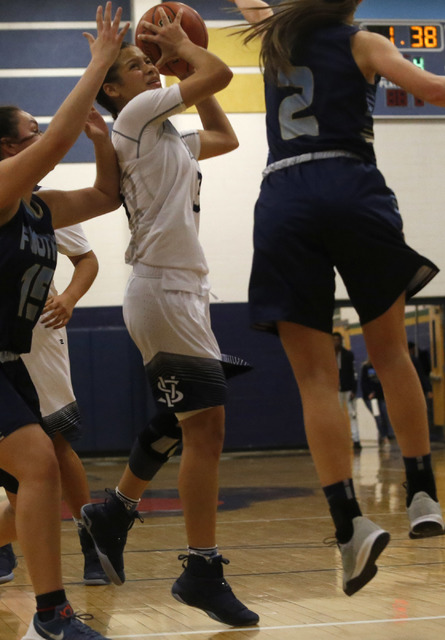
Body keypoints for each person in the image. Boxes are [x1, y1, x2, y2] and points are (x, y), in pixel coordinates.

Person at [230, 0, 445, 597]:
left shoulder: (272, 33)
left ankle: (349, 521)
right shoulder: (364, 42)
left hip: (286, 199)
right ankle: (423, 492)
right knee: (391, 351)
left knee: (316, 380)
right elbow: (431, 88)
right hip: (351, 186)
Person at [80, 8, 259, 628]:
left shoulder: (166, 136)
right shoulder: (132, 118)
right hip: (161, 290)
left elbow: (226, 134)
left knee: (185, 421)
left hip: (185, 293)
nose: (151, 72)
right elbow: (221, 74)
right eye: (137, 66)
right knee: (206, 428)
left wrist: (182, 64)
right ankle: (201, 569)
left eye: (152, 64)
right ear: (112, 89)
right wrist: (186, 51)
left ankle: (115, 511)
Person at [0, 3, 129, 638]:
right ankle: (52, 613)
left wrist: (105, 146)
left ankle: (52, 612)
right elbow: (55, 144)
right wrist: (100, 61)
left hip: (9, 360)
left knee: (41, 469)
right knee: (40, 466)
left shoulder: (41, 207)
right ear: (5, 149)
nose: (43, 134)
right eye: (29, 131)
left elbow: (107, 196)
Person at [0, 224, 109, 586]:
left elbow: (86, 259)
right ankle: (5, 540)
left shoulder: (44, 205)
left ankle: (91, 538)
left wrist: (70, 298)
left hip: (37, 331)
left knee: (54, 443)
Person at [333, 331, 361, 450]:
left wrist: (354, 390)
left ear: (341, 341)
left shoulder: (348, 355)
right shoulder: (328, 355)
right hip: (336, 390)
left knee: (352, 415)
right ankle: (339, 440)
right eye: (333, 340)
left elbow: (354, 373)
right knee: (337, 416)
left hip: (348, 389)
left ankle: (356, 440)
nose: (336, 342)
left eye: (337, 340)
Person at [360, 358, 394, 447]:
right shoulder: (366, 367)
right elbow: (364, 382)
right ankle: (384, 436)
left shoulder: (383, 366)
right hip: (371, 398)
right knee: (378, 417)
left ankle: (386, 434)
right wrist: (369, 393)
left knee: (385, 415)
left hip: (381, 396)